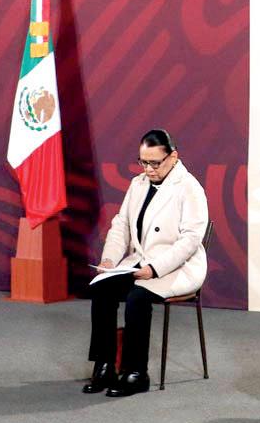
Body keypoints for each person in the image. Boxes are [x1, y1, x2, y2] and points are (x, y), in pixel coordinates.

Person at [84, 129, 209, 397]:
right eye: (143, 162)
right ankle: (104, 365)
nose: (148, 169)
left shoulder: (190, 188)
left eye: (155, 163)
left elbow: (190, 240)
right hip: (140, 262)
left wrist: (154, 269)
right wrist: (109, 259)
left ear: (173, 157)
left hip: (177, 268)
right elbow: (121, 225)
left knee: (137, 298)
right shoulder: (138, 184)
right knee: (102, 288)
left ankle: (136, 372)